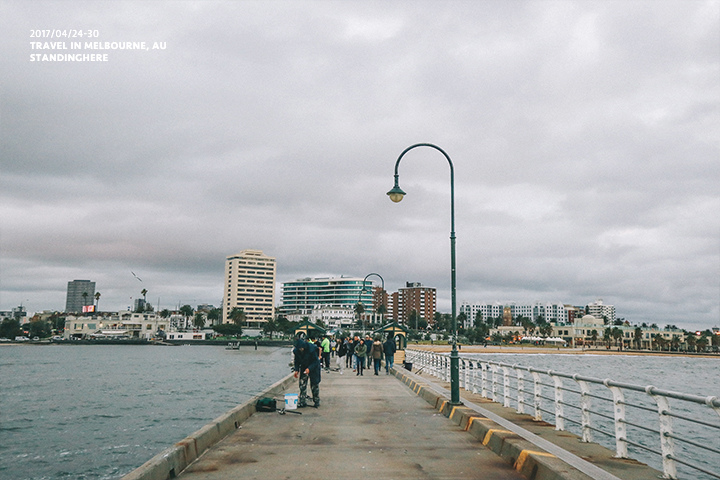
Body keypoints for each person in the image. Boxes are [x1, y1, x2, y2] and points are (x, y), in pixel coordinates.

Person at [293, 337, 321, 408]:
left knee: (314, 385)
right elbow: (296, 361)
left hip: (314, 367)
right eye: (299, 348)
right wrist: (296, 370)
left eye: (302, 348)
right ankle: (302, 401)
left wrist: (309, 368)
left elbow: (316, 361)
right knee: (302, 384)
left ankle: (316, 401)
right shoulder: (296, 351)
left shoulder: (311, 349)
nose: (301, 349)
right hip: (304, 366)